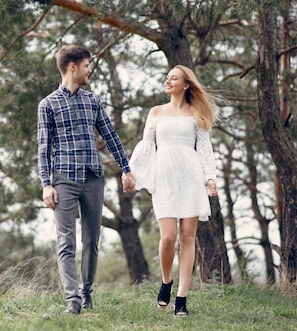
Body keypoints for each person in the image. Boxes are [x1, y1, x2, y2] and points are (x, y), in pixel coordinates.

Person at [37, 44, 136, 315]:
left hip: (93, 178)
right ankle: (72, 299)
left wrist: (126, 168)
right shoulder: (48, 105)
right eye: (86, 64)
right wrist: (46, 183)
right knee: (65, 242)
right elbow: (43, 148)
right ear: (73, 66)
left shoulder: (92, 101)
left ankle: (87, 292)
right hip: (63, 180)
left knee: (91, 240)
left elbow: (111, 136)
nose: (89, 69)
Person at [129, 65, 219, 316]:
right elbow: (146, 145)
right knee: (168, 237)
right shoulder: (156, 112)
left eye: (174, 78)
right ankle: (166, 281)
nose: (168, 81)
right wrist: (132, 174)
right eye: (167, 77)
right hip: (165, 177)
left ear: (186, 84)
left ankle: (182, 298)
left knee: (187, 238)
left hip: (191, 177)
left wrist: (210, 178)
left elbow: (204, 148)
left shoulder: (197, 113)